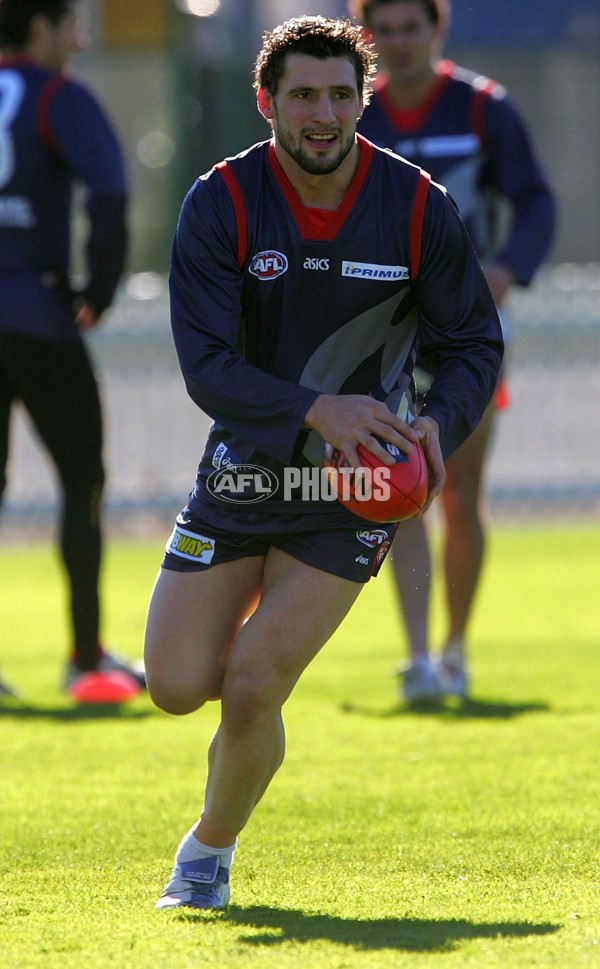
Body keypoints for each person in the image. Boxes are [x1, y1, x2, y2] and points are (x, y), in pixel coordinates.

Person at [144, 14, 503, 911]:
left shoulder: (417, 204)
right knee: (178, 685)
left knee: (255, 681)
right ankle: (234, 770)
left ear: (363, 99)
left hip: (352, 492)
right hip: (242, 475)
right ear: (267, 101)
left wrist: (435, 426)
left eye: (342, 94)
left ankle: (207, 854)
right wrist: (315, 408)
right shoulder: (220, 201)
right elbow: (207, 367)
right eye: (303, 94)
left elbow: (472, 344)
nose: (324, 112)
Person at [348, 0, 556, 701]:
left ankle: (456, 648)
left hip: (467, 330)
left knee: (460, 491)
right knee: (399, 491)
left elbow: (535, 201)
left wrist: (505, 270)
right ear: (365, 37)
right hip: (381, 331)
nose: (399, 43)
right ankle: (417, 658)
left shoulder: (483, 108)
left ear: (438, 30)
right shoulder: (353, 112)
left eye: (412, 28)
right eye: (384, 30)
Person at [0, 0, 145, 702]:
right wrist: (100, 288)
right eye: (71, 27)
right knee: (81, 480)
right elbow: (110, 194)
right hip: (38, 319)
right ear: (39, 29)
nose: (80, 41)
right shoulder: (57, 95)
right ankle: (85, 658)